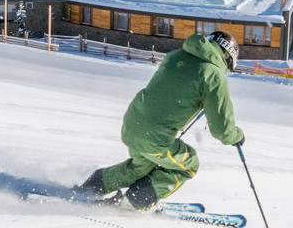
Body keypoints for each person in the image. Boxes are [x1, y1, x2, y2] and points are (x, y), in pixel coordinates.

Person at [74, 31, 246, 210]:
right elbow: (221, 129)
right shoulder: (214, 77)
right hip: (155, 137)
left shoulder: (176, 56)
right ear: (228, 57)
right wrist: (237, 136)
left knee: (140, 167)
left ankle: (91, 187)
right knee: (189, 164)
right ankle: (136, 200)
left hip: (133, 122)